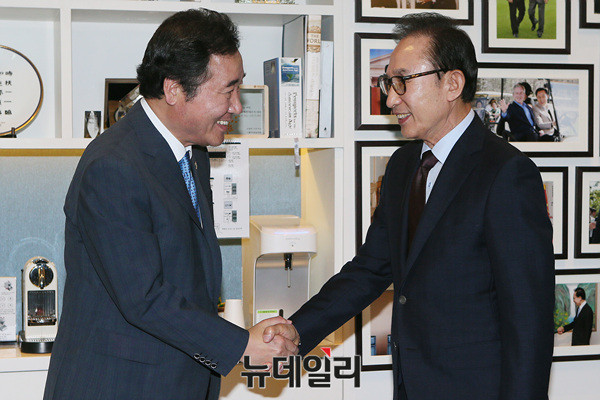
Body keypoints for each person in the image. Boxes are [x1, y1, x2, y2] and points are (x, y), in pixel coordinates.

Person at [267, 12, 554, 400]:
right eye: (388, 83)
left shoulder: (506, 173)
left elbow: (528, 318)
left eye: (402, 82)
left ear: (452, 83)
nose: (390, 99)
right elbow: (371, 269)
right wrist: (298, 329)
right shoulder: (403, 166)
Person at [43, 9, 298, 400]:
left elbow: (189, 278)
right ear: (175, 89)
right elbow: (144, 298)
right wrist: (241, 345)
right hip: (121, 387)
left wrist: (242, 337)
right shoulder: (114, 166)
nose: (237, 107)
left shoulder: (192, 153)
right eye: (227, 91)